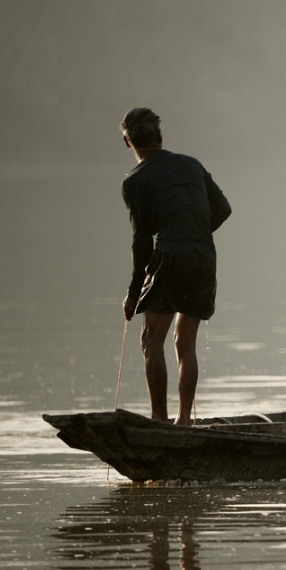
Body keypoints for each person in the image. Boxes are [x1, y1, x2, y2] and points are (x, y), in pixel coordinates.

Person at [119, 107, 232, 426]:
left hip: (170, 256)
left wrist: (132, 294)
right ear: (160, 136)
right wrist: (193, 232)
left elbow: (142, 242)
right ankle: (184, 420)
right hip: (204, 258)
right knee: (186, 343)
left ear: (128, 143)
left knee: (151, 340)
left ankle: (159, 419)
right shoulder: (191, 164)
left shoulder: (135, 181)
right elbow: (222, 209)